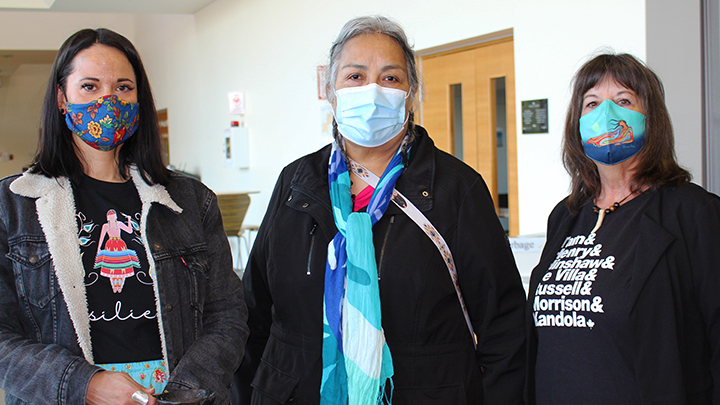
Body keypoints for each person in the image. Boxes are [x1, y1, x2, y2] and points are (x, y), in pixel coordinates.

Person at [236, 15, 525, 405]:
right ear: (331, 91)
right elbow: (255, 312)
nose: (372, 90)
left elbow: (504, 329)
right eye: (355, 76)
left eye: (390, 78)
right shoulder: (296, 183)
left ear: (411, 93)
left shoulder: (456, 189)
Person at [0, 28, 248, 405]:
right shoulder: (13, 205)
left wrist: (183, 392)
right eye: (89, 86)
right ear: (61, 98)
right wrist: (84, 385)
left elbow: (227, 314)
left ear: (139, 99)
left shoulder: (189, 201)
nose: (107, 100)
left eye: (123, 87)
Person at [526, 53, 720, 404]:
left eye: (624, 100)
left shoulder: (694, 213)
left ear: (651, 118)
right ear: (577, 122)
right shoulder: (565, 217)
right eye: (592, 103)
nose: (606, 114)